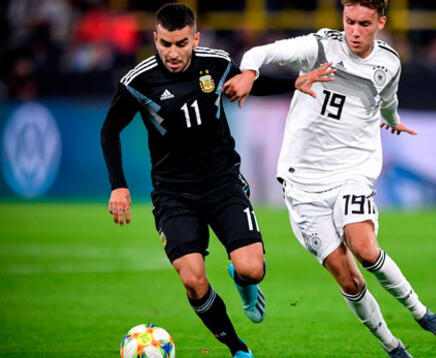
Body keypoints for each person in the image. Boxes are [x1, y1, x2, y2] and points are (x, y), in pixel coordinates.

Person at [223, 1, 436, 357]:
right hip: (302, 182)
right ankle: (394, 347)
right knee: (348, 278)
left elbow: (388, 100)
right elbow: (261, 51)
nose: (354, 30)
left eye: (364, 23)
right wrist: (249, 73)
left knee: (365, 248)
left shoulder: (388, 63)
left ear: (380, 22)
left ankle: (424, 315)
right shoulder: (320, 47)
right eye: (349, 21)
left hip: (352, 172)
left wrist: (392, 120)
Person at [100, 4, 331, 357]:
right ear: (155, 39)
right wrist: (118, 185)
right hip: (174, 193)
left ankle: (245, 285)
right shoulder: (138, 81)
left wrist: (295, 83)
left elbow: (250, 82)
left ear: (195, 39)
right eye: (165, 44)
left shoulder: (217, 63)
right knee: (193, 279)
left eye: (180, 43)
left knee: (251, 269)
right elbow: (109, 130)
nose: (172, 53)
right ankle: (238, 349)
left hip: (222, 183)